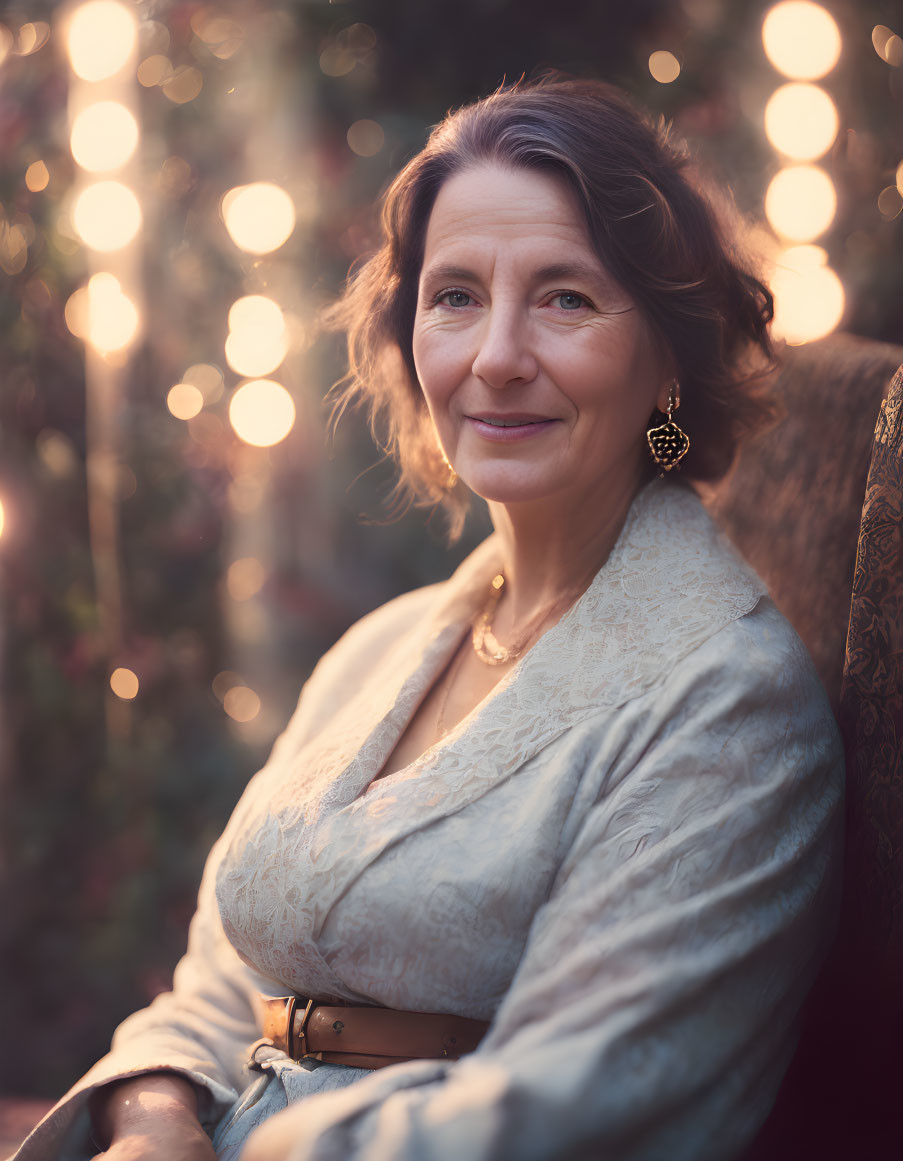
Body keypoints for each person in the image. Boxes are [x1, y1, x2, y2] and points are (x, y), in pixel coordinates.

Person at [15, 75, 843, 1161]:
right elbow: (218, 984)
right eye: (455, 296)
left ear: (670, 364)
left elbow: (576, 1106)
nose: (495, 355)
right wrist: (157, 1118)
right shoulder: (382, 647)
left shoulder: (730, 707)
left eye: (566, 298)